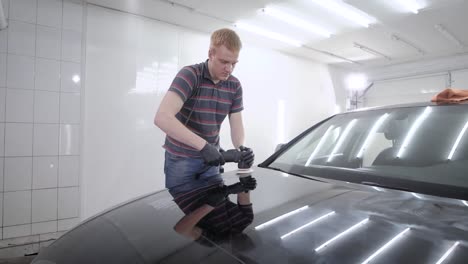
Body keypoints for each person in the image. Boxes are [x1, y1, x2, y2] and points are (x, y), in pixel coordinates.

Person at [154, 28, 254, 197]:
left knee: (212, 212)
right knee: (185, 212)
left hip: (213, 160)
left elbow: (236, 123)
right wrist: (203, 146)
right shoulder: (190, 75)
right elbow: (162, 118)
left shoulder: (234, 85)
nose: (229, 69)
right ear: (211, 53)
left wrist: (240, 148)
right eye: (224, 62)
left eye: (234, 63)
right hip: (182, 160)